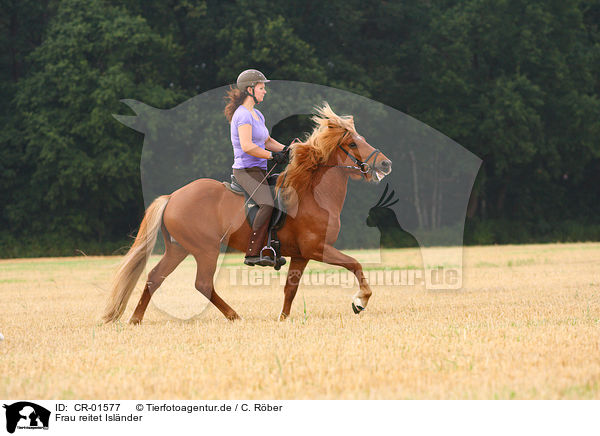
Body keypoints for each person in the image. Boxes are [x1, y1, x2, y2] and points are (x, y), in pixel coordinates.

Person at [224, 69, 289, 267]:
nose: (265, 91)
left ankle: (273, 248)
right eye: (262, 88)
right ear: (250, 89)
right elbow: (247, 146)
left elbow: (267, 140)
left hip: (259, 169)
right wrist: (272, 156)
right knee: (267, 204)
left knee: (283, 194)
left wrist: (288, 149)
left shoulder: (257, 114)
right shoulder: (242, 115)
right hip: (245, 171)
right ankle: (253, 253)